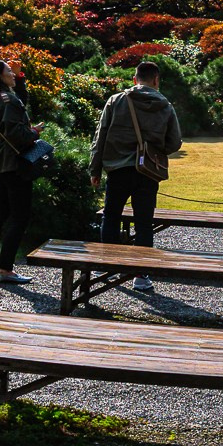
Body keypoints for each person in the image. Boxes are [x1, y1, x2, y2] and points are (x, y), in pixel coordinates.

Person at [89, 59, 185, 292]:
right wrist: (154, 149)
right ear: (156, 80)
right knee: (144, 221)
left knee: (111, 215)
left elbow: (99, 137)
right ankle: (141, 275)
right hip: (147, 171)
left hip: (118, 168)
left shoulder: (117, 100)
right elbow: (174, 142)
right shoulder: (165, 105)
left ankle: (106, 263)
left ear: (135, 79)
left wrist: (95, 169)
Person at [0, 58, 42, 287]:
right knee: (19, 216)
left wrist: (20, 78)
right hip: (15, 164)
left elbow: (18, 102)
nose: (13, 74)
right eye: (9, 72)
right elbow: (19, 135)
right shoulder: (7, 100)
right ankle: (6, 269)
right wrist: (34, 132)